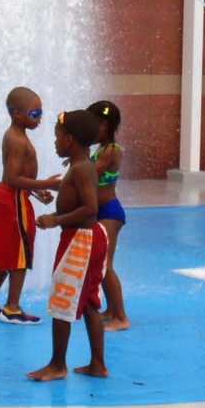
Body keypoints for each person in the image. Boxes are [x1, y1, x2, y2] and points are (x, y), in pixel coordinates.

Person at [27, 109, 109, 382]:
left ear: (70, 140)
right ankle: (97, 363)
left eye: (57, 137)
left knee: (62, 298)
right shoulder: (80, 166)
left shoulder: (82, 169)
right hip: (87, 237)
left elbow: (90, 208)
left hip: (80, 239)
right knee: (87, 302)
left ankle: (57, 364)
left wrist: (56, 219)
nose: (54, 142)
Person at [0, 86, 59, 325]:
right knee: (20, 254)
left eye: (40, 112)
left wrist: (36, 191)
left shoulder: (17, 136)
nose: (40, 118)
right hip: (12, 199)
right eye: (35, 114)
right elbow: (11, 178)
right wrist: (48, 184)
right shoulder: (17, 140)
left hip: (12, 197)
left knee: (8, 250)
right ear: (17, 114)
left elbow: (18, 177)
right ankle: (12, 308)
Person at [87, 100, 129, 332]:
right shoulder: (101, 149)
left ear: (103, 125)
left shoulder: (111, 150)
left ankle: (121, 316)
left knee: (105, 265)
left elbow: (90, 174)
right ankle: (111, 309)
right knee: (100, 264)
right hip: (102, 211)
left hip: (110, 212)